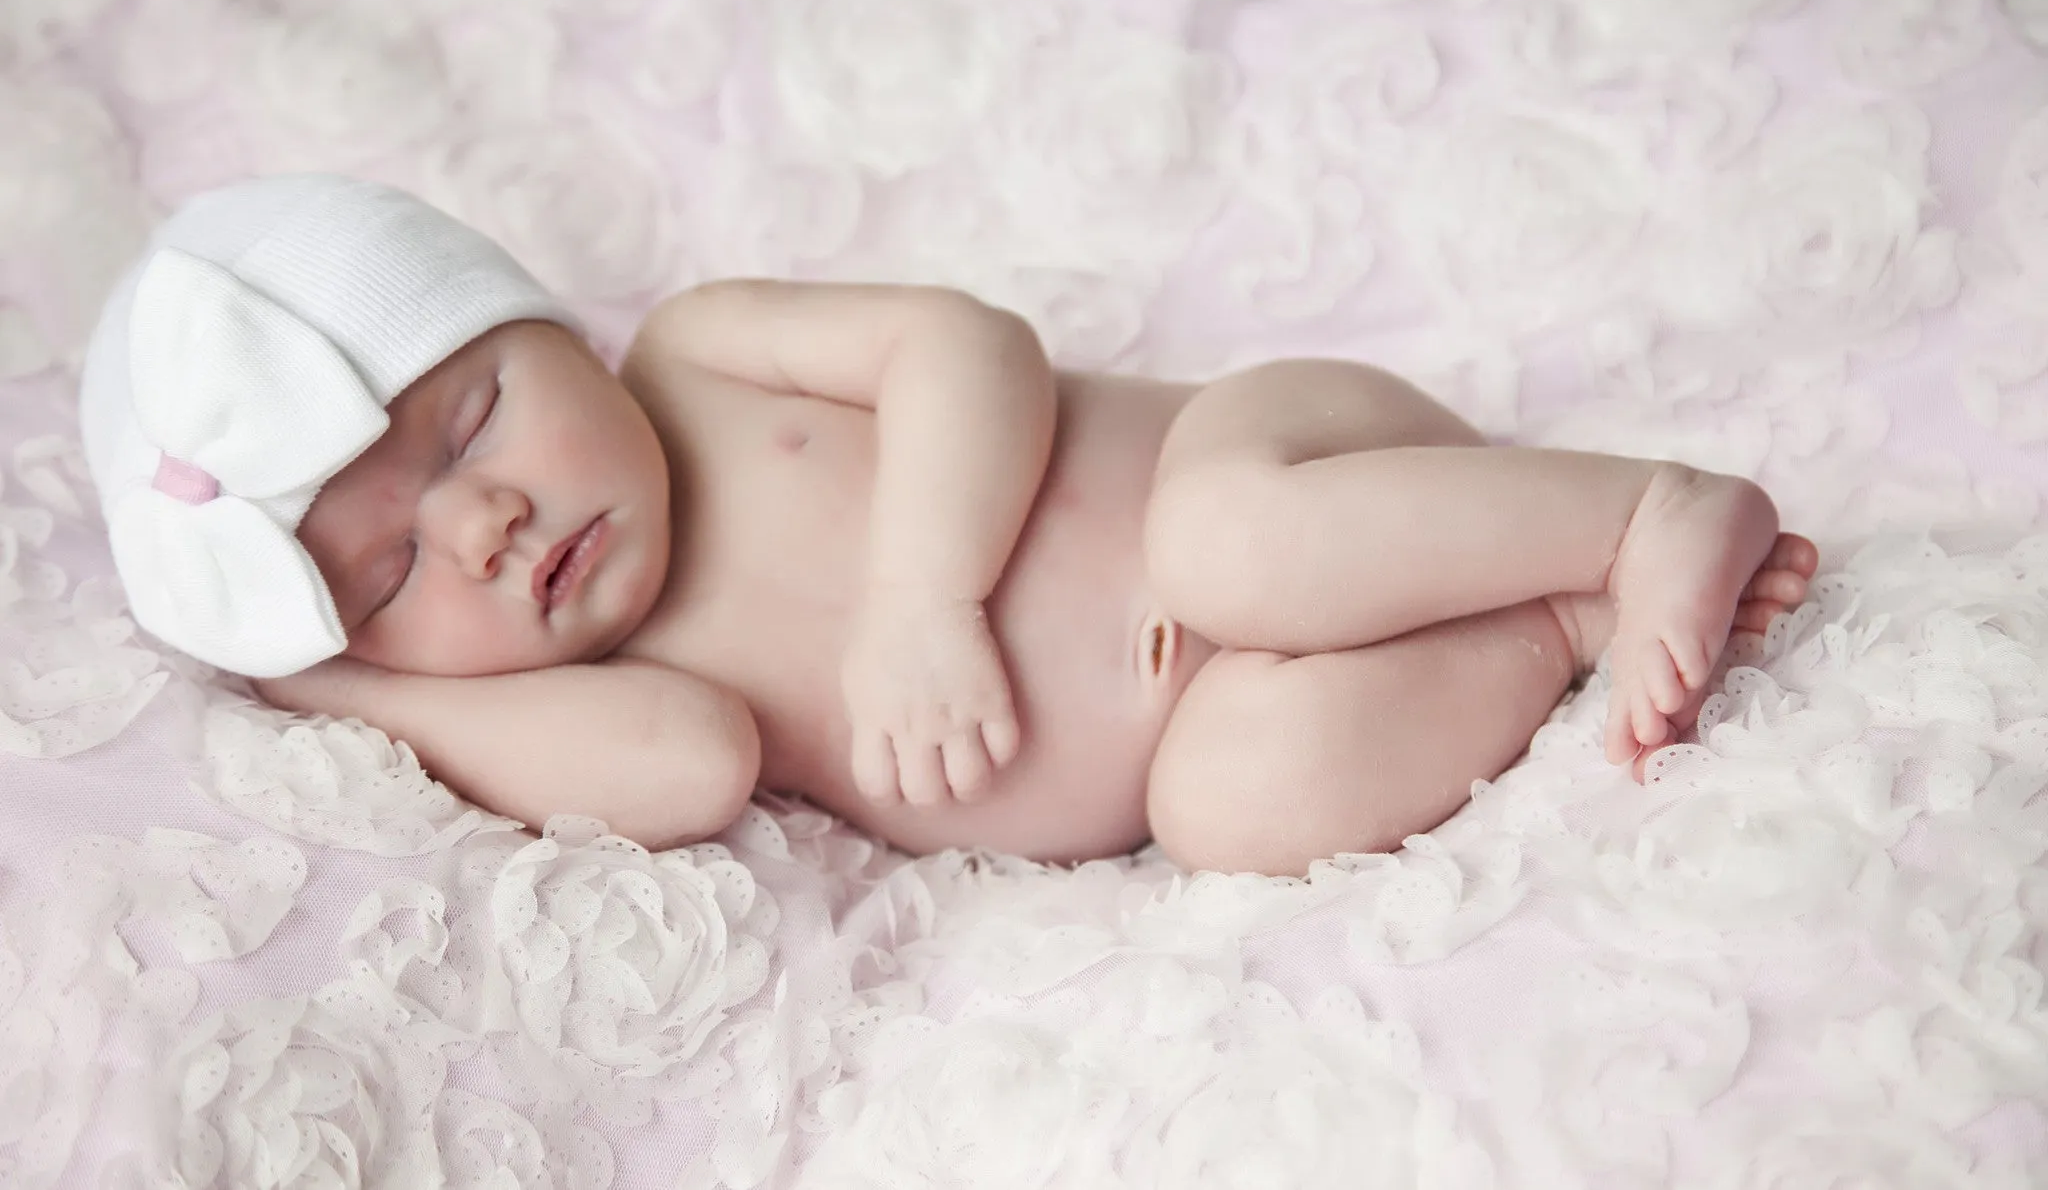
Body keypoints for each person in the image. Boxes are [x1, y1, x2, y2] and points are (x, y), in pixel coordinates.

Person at [81, 175, 1817, 876]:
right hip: (1219, 716)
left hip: (1278, 464)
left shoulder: (691, 348)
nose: (485, 521)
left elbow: (962, 345)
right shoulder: (617, 685)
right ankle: (1563, 630)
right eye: (387, 571)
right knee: (1226, 812)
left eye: (473, 415)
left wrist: (924, 595)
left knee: (1224, 548)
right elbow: (683, 773)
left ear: (544, 318)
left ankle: (1638, 509)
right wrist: (339, 683)